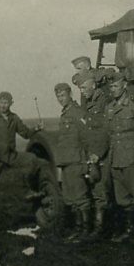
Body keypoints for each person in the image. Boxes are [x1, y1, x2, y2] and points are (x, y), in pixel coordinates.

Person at [0, 91, 45, 230]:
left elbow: (25, 133)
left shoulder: (14, 118)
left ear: (11, 103)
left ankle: (29, 190)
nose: (3, 105)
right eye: (1, 102)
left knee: (31, 159)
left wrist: (37, 128)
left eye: (6, 103)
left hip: (11, 156)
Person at [104, 73, 134, 242]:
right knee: (122, 199)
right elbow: (108, 133)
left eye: (115, 86)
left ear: (124, 85)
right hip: (116, 157)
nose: (112, 90)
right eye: (110, 87)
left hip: (132, 156)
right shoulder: (109, 107)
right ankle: (131, 231)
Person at [53, 82, 95, 242]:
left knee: (81, 198)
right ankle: (78, 230)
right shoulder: (65, 114)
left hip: (77, 160)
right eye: (58, 96)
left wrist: (87, 160)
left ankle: (85, 231)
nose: (60, 99)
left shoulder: (77, 112)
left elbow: (86, 137)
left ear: (70, 94)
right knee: (71, 198)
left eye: (63, 95)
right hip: (66, 161)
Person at [78, 72, 112, 238]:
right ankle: (92, 228)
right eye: (80, 88)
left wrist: (97, 154)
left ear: (93, 85)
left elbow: (106, 131)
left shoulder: (103, 102)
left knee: (100, 192)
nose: (82, 91)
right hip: (90, 152)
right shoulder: (88, 102)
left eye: (84, 87)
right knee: (92, 189)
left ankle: (100, 230)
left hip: (100, 154)